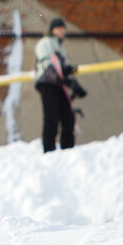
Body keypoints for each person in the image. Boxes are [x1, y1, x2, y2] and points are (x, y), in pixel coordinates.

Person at [34, 18, 78, 153]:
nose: (62, 32)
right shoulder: (45, 42)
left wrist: (72, 79)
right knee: (51, 117)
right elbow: (49, 64)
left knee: (68, 117)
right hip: (48, 83)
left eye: (63, 30)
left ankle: (68, 150)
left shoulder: (60, 46)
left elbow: (65, 67)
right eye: (59, 29)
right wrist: (65, 75)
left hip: (59, 85)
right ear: (52, 30)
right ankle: (49, 150)